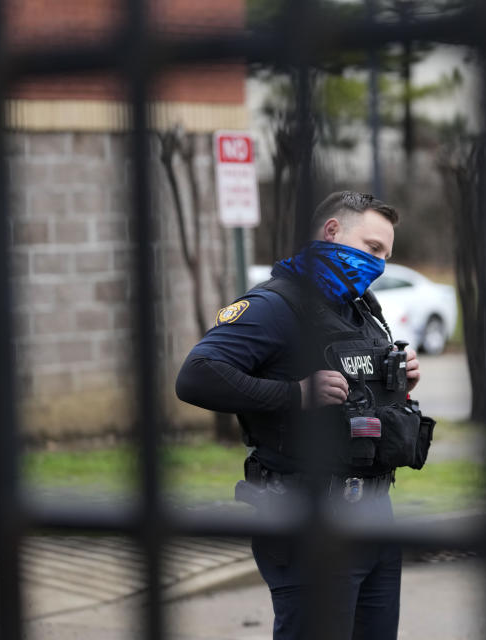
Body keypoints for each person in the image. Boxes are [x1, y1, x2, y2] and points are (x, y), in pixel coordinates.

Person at [176, 191, 432, 640]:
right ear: (331, 232)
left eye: (386, 255)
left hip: (374, 516)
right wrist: (295, 394)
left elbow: (358, 395)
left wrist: (397, 385)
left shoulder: (361, 310)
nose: (379, 264)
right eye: (372, 248)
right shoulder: (275, 305)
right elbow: (196, 375)